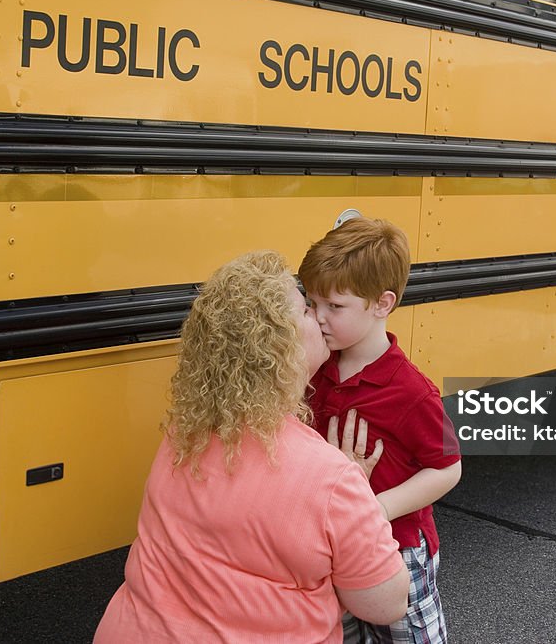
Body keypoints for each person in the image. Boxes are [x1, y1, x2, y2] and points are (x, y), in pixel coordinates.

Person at [94, 251, 409, 643]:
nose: (320, 317)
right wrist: (360, 494)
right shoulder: (334, 479)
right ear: (280, 347)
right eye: (307, 311)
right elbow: (387, 604)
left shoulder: (184, 431)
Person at [299, 218, 463, 643]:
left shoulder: (411, 390)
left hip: (398, 545)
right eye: (312, 303)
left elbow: (447, 467)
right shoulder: (318, 367)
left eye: (334, 307)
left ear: (382, 303)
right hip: (333, 541)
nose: (318, 318)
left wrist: (379, 508)